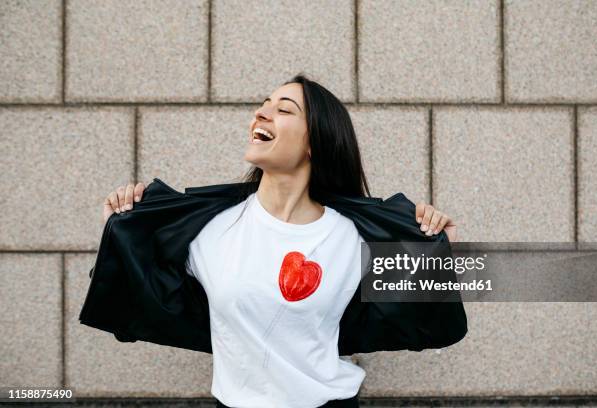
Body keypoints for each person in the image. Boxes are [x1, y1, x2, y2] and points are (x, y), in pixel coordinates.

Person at [102, 75, 458, 408]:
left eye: (284, 109)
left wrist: (442, 251)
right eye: (265, 104)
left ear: (315, 144)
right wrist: (122, 227)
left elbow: (432, 310)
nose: (261, 112)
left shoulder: (354, 237)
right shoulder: (210, 231)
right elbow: (139, 292)